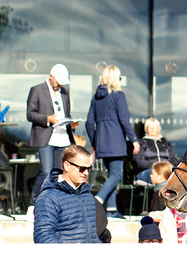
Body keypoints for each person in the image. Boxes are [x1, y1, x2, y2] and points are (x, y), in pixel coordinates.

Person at [86, 64, 140, 219]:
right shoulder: (118, 95)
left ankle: (111, 210)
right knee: (117, 175)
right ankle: (97, 200)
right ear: (116, 78)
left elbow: (89, 123)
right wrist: (134, 140)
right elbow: (124, 120)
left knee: (111, 174)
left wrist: (95, 142)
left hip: (102, 141)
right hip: (116, 141)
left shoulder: (96, 97)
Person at [27, 64, 79, 210]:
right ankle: (33, 203)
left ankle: (55, 205)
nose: (60, 84)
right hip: (46, 137)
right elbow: (30, 114)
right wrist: (48, 118)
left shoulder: (65, 92)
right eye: (58, 81)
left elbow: (66, 114)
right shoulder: (37, 90)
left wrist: (71, 124)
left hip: (63, 137)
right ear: (51, 77)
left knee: (60, 174)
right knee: (46, 170)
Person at [33, 144, 100, 243]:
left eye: (88, 169)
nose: (86, 173)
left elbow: (91, 235)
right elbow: (43, 236)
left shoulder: (87, 195)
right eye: (82, 168)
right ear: (66, 166)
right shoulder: (49, 197)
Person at [133, 118, 178, 184]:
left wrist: (164, 166)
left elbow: (173, 160)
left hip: (165, 170)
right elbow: (139, 162)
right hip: (148, 171)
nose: (152, 129)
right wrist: (157, 166)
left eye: (155, 127)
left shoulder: (166, 144)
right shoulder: (141, 143)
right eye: (149, 127)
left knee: (173, 174)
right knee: (158, 174)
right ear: (146, 129)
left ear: (159, 129)